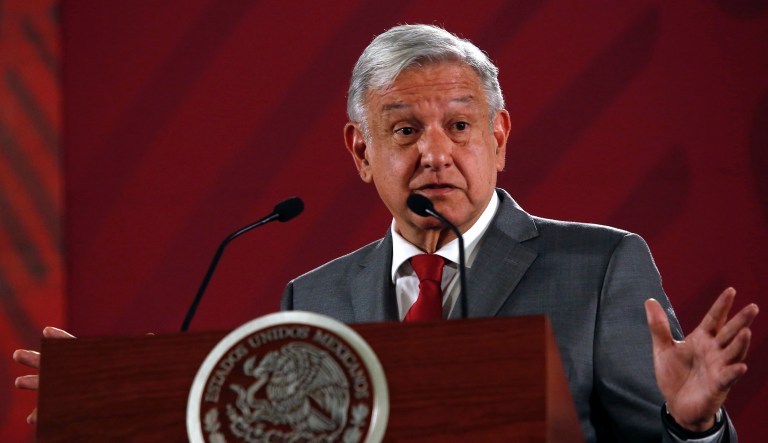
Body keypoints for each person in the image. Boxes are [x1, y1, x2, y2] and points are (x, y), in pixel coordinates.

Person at [14, 24, 758, 442]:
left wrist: (693, 425)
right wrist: (126, 406)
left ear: (498, 137)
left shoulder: (600, 265)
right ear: (361, 150)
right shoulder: (316, 292)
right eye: (404, 129)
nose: (435, 152)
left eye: (460, 126)